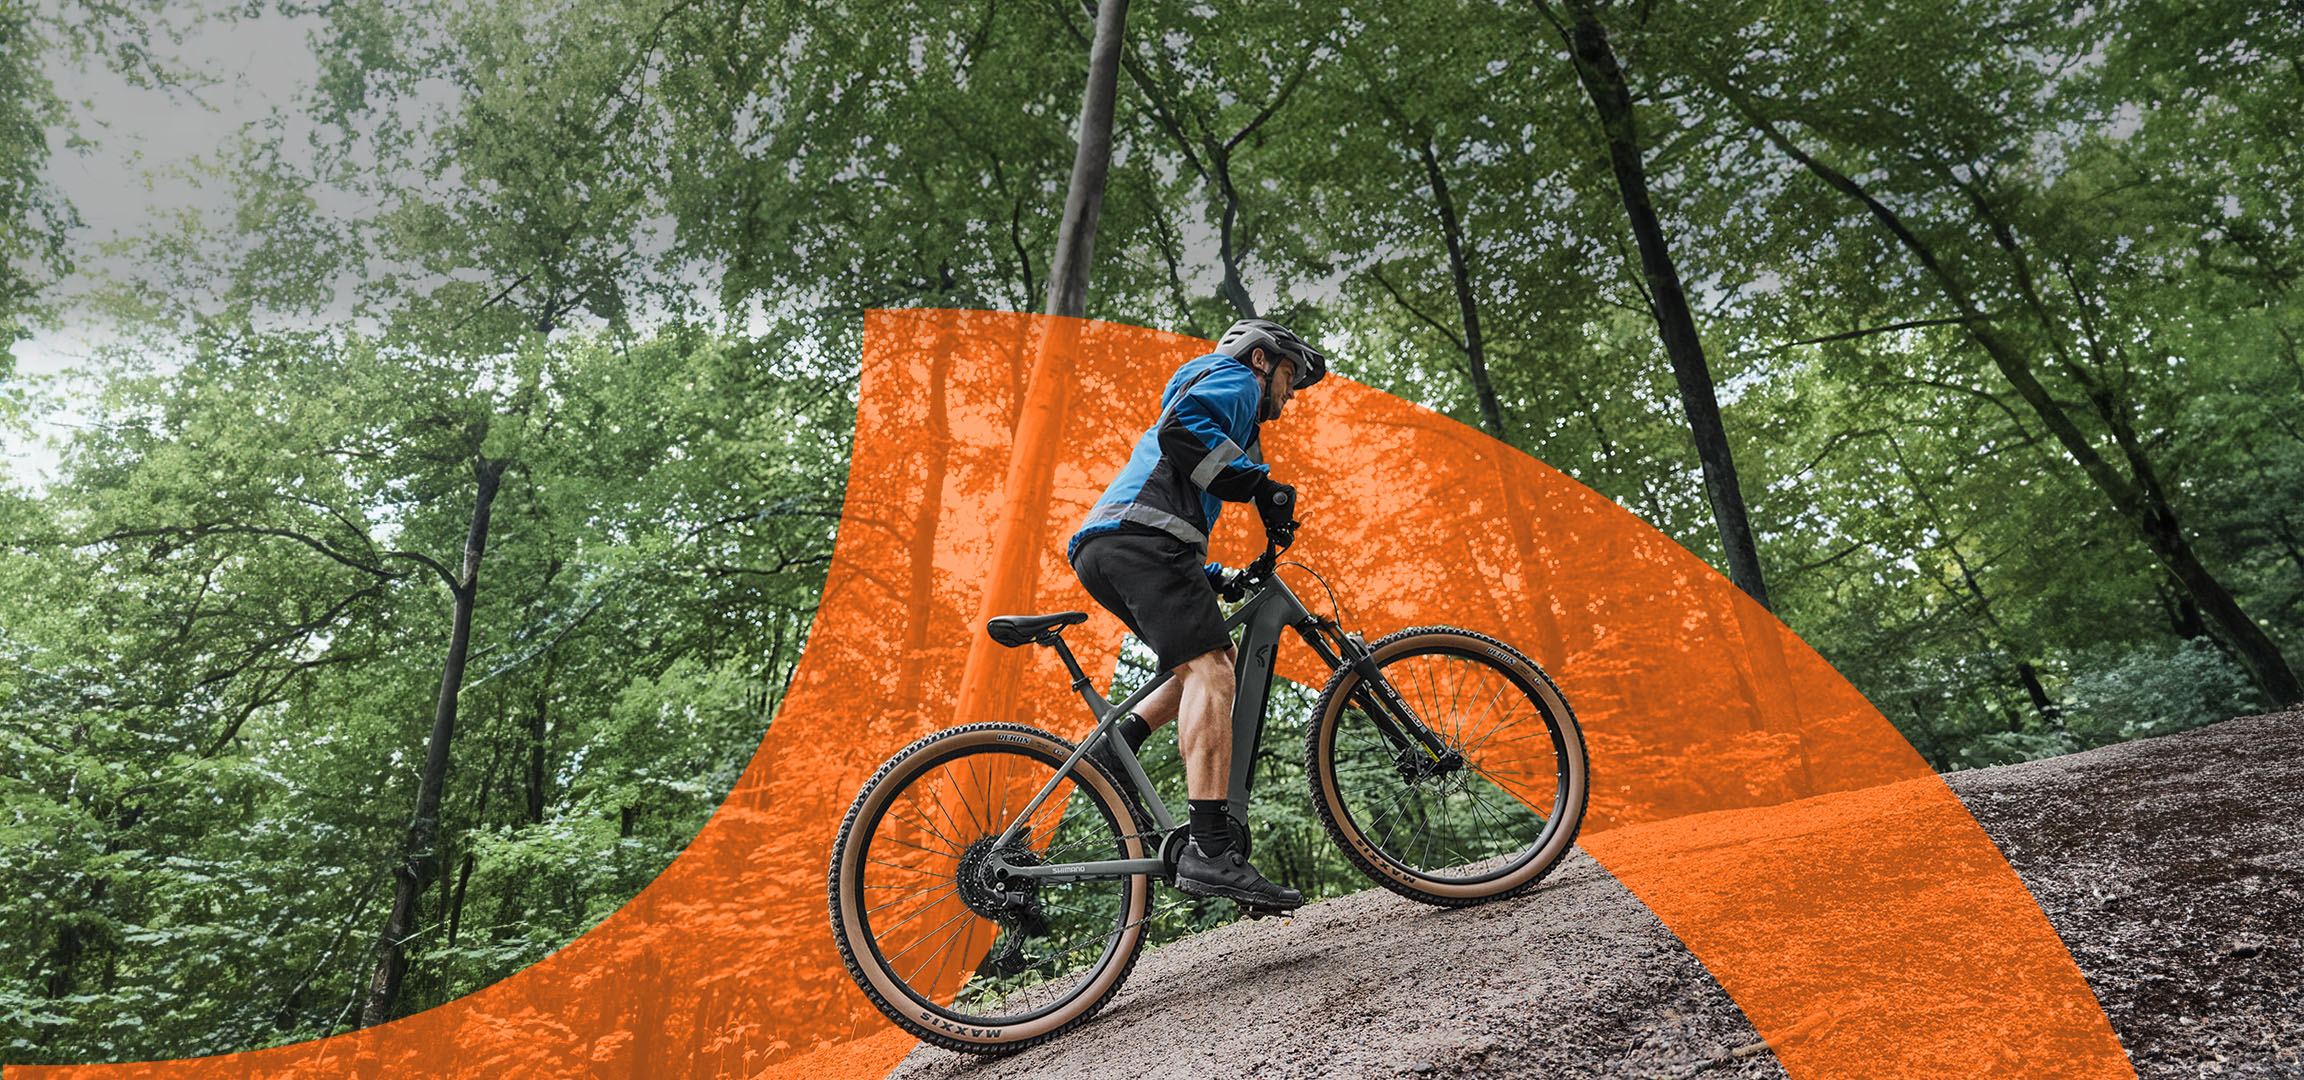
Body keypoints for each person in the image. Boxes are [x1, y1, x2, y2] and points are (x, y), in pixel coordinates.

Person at [1066, 317, 1326, 911]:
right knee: (1212, 673)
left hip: (1117, 545)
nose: (1288, 396)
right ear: (1262, 360)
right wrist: (1261, 487)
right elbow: (1183, 432)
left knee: (1207, 661)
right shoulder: (1234, 380)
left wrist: (1216, 576)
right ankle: (1210, 849)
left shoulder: (1216, 392)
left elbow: (1169, 492)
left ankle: (1116, 748)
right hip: (1140, 543)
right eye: (1289, 376)